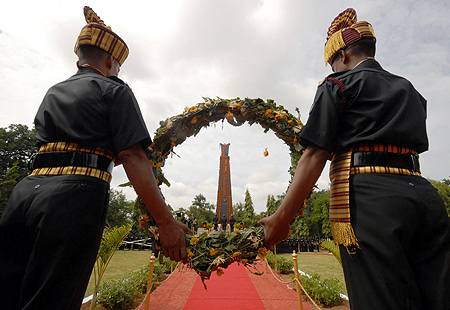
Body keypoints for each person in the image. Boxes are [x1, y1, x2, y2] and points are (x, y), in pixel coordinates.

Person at [0, 6, 190, 309]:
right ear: (110, 60)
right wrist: (166, 223)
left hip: (24, 194)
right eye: (117, 67)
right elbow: (132, 156)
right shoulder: (114, 90)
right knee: (52, 299)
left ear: (80, 59)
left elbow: (76, 146)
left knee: (8, 291)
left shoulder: (53, 91)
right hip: (72, 197)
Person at [259, 8, 450, 309]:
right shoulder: (408, 89)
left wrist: (281, 220)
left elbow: (315, 153)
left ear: (344, 54)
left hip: (371, 202)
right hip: (424, 197)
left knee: (380, 300)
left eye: (333, 61)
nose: (333, 68)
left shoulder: (337, 86)